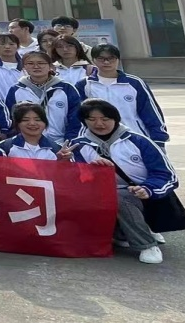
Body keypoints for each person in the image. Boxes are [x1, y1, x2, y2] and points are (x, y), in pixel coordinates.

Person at [71, 98, 178, 264]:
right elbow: (75, 180)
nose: (99, 124)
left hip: (143, 195)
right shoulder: (78, 146)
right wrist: (90, 170)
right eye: (91, 119)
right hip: (100, 195)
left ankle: (147, 245)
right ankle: (120, 234)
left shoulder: (138, 141)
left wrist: (148, 188)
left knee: (119, 197)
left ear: (115, 118)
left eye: (105, 119)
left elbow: (166, 175)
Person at [76, 44, 169, 147]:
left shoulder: (134, 83)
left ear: (118, 60)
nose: (106, 62)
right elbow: (79, 116)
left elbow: (150, 111)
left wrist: (159, 139)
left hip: (134, 138)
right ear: (93, 60)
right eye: (101, 58)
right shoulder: (84, 85)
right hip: (98, 142)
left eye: (111, 58)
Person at [5, 51, 82, 144]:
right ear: (24, 67)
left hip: (60, 142)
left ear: (50, 66)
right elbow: (11, 119)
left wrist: (69, 141)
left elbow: (75, 119)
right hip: (26, 143)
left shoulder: (66, 88)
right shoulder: (16, 89)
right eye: (30, 63)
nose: (36, 66)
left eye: (41, 63)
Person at [0, 103, 74, 160]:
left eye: (37, 120)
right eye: (25, 120)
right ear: (17, 123)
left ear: (45, 123)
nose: (32, 123)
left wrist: (62, 160)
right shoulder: (5, 147)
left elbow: (65, 174)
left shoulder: (57, 148)